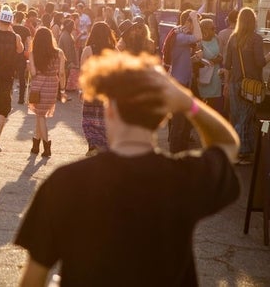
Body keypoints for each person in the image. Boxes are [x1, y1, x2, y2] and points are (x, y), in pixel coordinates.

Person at [14, 51, 240, 287]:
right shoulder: (183, 178)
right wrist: (187, 103)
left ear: (109, 109)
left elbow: (32, 281)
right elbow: (227, 144)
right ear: (163, 117)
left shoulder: (64, 182)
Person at [224, 7, 268, 164]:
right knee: (245, 119)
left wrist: (227, 85)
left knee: (238, 118)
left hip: (236, 84)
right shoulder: (256, 39)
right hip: (251, 85)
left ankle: (242, 151)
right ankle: (238, 152)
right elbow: (260, 62)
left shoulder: (233, 38)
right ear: (253, 21)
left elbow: (227, 64)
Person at [0, 6, 23, 153]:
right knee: (3, 110)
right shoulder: (16, 37)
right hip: (7, 78)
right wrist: (12, 32)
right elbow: (21, 50)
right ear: (10, 22)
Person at [166, 9, 202, 153]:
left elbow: (181, 60)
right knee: (178, 123)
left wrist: (194, 59)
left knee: (183, 122)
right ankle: (175, 156)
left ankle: (180, 153)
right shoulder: (180, 37)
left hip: (183, 83)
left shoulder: (181, 35)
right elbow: (199, 37)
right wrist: (194, 17)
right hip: (179, 85)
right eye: (195, 22)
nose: (196, 25)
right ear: (188, 22)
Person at [79, 21, 117, 156]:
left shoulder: (88, 49)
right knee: (104, 118)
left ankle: (93, 144)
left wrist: (81, 90)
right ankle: (105, 145)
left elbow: (83, 71)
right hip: (108, 90)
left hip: (91, 89)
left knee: (89, 118)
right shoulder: (114, 50)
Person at [28, 27, 66, 157]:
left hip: (38, 86)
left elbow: (33, 73)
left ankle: (46, 146)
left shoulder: (33, 53)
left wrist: (29, 66)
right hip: (52, 85)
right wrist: (63, 89)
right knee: (40, 115)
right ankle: (35, 145)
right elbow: (61, 73)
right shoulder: (59, 53)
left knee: (40, 115)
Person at [197, 18, 223, 114]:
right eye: (212, 28)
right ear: (204, 29)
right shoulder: (198, 42)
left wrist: (218, 59)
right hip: (204, 74)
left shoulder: (216, 38)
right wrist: (209, 61)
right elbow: (196, 60)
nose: (214, 30)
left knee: (214, 103)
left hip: (215, 75)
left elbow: (221, 55)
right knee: (202, 103)